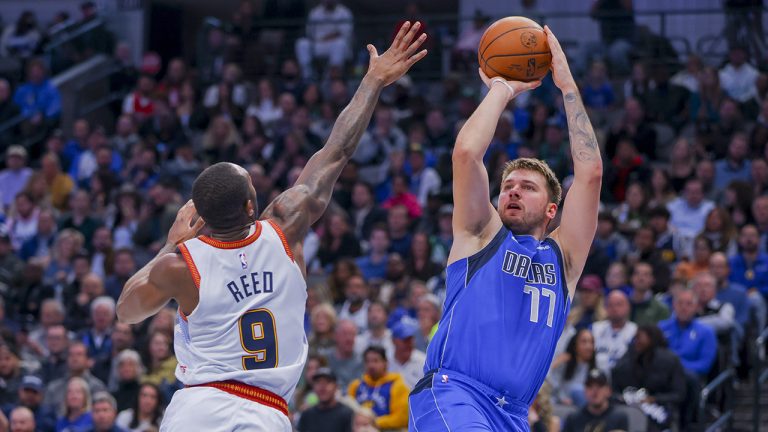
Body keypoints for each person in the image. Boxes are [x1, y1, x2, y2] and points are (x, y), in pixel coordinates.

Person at [116, 23, 427, 432]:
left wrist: (170, 244)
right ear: (251, 205)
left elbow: (126, 311)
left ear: (203, 216)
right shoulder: (286, 226)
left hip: (198, 408)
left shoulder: (179, 264)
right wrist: (373, 81)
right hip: (265, 410)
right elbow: (337, 151)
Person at [409, 27, 603, 431]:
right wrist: (501, 88)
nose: (513, 191)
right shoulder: (481, 234)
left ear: (552, 209)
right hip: (455, 392)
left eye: (527, 188)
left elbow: (590, 174)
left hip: (514, 414)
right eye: (508, 186)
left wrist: (567, 87)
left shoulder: (564, 259)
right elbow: (466, 154)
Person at [348, 346, 409, 430]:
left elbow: (402, 418)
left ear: (386, 363)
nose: (371, 365)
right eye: (367, 361)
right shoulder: (356, 385)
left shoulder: (397, 385)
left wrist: (374, 423)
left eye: (375, 361)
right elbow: (347, 414)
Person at [562, 369, 629, 432]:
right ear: (584, 391)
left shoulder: (619, 417)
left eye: (599, 386)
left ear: (608, 391)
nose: (594, 391)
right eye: (590, 386)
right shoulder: (573, 418)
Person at [296, 368, 353, 432]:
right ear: (313, 387)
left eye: (327, 382)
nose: (322, 386)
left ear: (336, 386)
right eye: (318, 382)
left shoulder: (347, 414)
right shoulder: (306, 415)